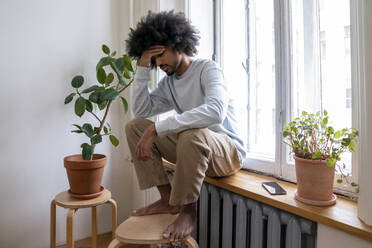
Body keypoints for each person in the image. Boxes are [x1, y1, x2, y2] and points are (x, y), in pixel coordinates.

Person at [125, 10, 246, 242]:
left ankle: (188, 210)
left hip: (227, 153)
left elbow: (216, 112)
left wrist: (158, 129)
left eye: (161, 55)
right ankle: (166, 198)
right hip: (194, 151)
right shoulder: (169, 82)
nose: (158, 63)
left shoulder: (207, 69)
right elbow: (141, 111)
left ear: (177, 43)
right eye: (154, 60)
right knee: (135, 126)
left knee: (191, 133)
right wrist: (142, 66)